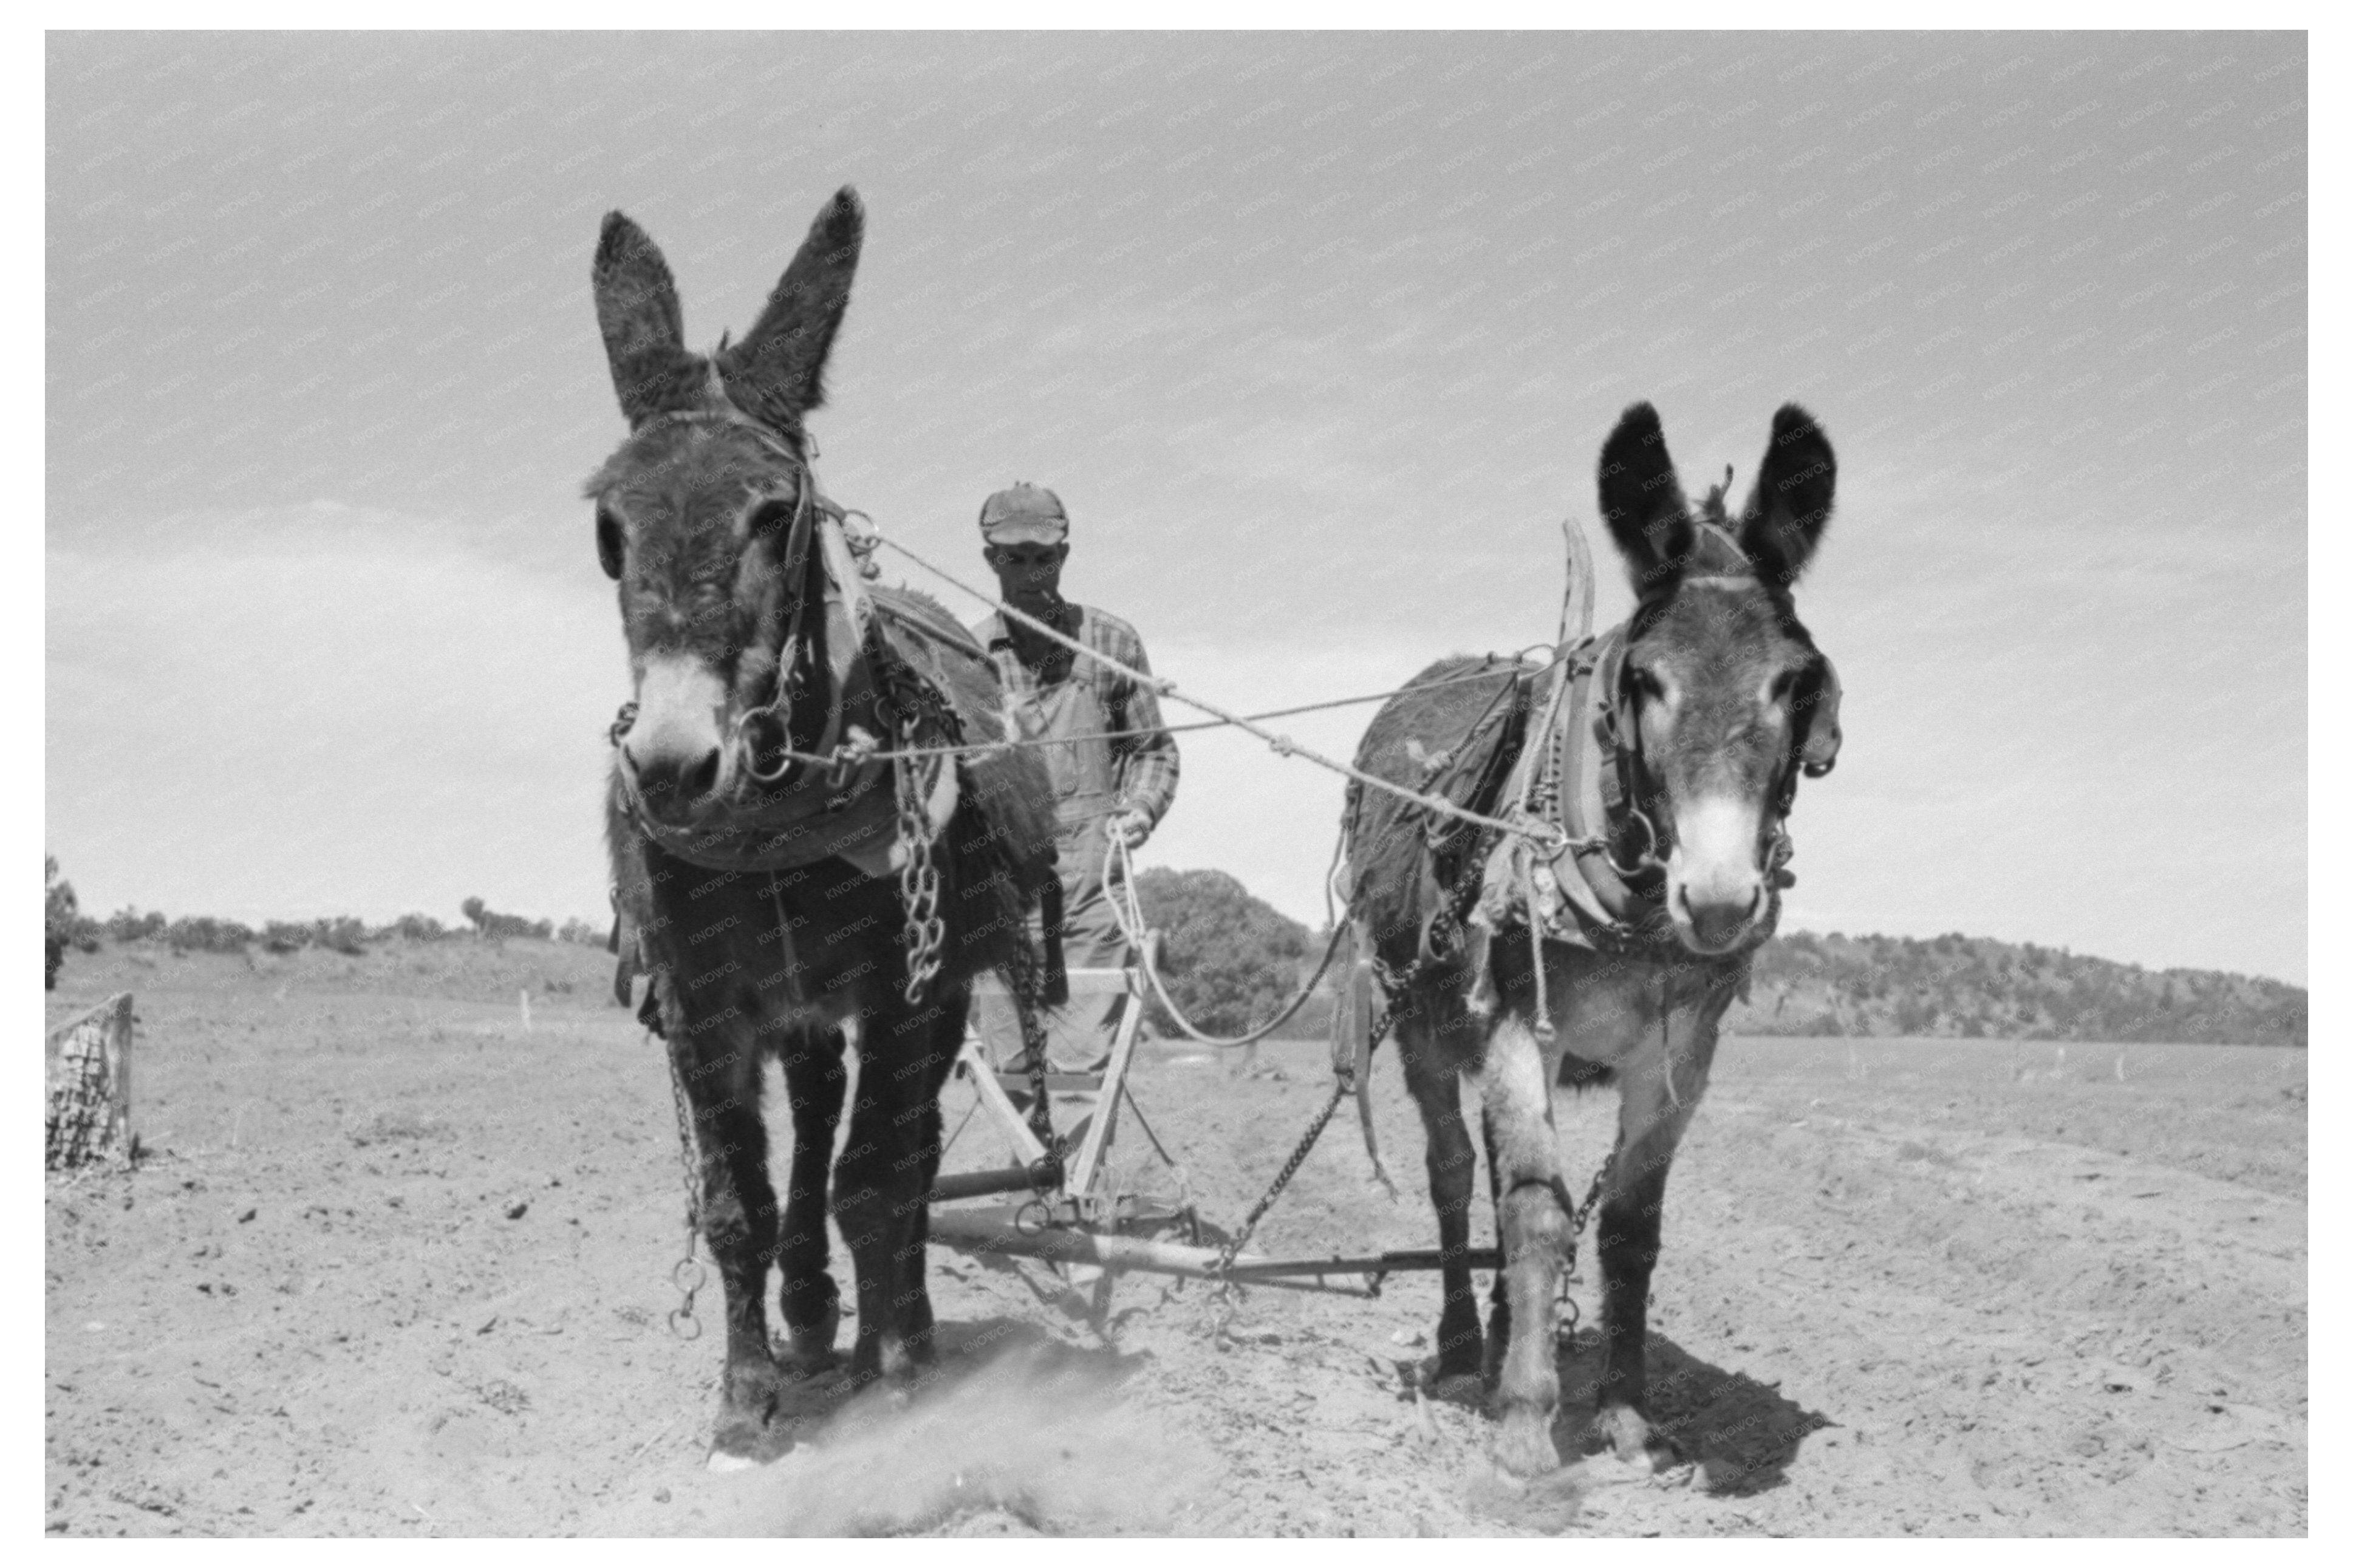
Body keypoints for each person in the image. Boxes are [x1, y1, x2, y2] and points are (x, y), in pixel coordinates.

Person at [969, 483, 1179, 1072]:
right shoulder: (967, 655)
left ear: (1063, 555)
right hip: (1002, 891)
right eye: (1015, 558)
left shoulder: (1112, 642)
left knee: (1085, 1068)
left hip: (1093, 886)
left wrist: (1140, 807)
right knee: (1012, 1072)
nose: (1031, 573)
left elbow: (1153, 751)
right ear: (991, 559)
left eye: (1043, 557)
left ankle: (1086, 1137)